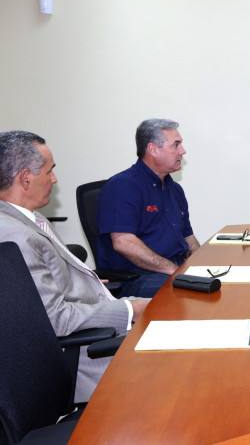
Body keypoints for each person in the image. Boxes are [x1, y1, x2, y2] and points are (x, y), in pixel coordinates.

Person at [0, 130, 149, 403]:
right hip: (87, 353)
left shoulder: (29, 219)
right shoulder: (14, 234)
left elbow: (46, 290)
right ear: (25, 178)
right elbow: (55, 319)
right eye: (49, 171)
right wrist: (130, 310)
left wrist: (88, 282)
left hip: (97, 322)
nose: (54, 179)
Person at [97, 119, 200, 298]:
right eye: (176, 145)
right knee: (193, 294)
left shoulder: (174, 189)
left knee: (222, 283)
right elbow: (123, 242)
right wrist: (174, 271)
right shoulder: (122, 186)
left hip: (172, 269)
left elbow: (188, 237)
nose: (183, 151)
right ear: (153, 149)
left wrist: (204, 264)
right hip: (136, 277)